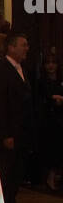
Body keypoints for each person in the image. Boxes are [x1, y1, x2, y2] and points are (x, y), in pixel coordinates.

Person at [0, 32, 34, 203]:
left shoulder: (20, 68)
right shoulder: (1, 70)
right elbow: (0, 105)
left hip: (22, 130)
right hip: (9, 132)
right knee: (6, 173)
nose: (26, 49)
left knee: (17, 172)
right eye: (23, 45)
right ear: (11, 47)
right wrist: (6, 134)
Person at [38, 55, 63, 192]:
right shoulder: (42, 81)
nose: (51, 66)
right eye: (48, 63)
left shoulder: (60, 80)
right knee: (52, 149)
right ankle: (49, 177)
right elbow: (43, 99)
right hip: (49, 121)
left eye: (54, 63)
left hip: (60, 119)